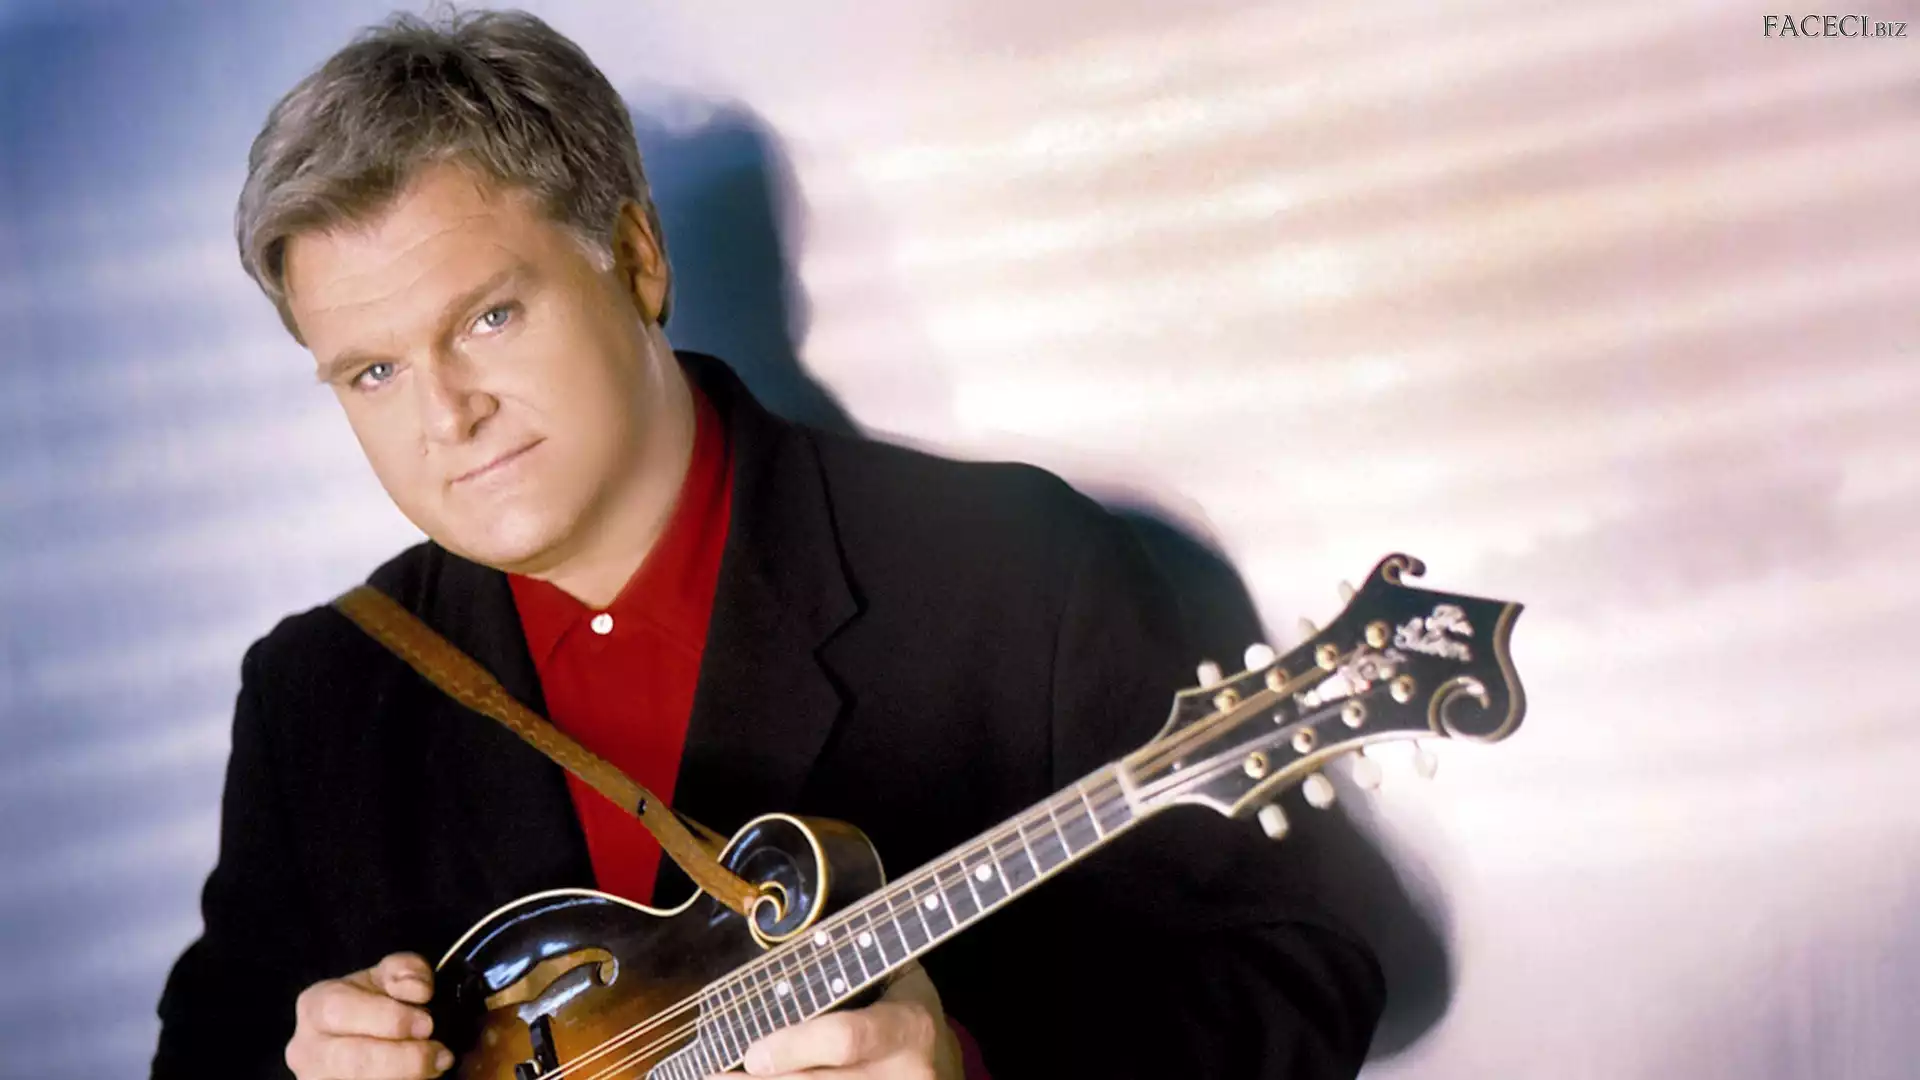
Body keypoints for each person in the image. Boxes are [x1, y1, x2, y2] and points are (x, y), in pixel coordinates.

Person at [152, 9, 1384, 1079]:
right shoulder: (320, 695)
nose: (445, 415)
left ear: (638, 260)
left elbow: (1299, 978)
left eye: (489, 316)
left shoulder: (1014, 570)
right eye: (372, 371)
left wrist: (967, 1068)